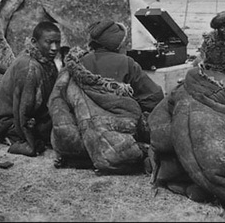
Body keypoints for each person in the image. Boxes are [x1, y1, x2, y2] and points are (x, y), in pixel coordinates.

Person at [149, 40, 225, 214]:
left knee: (188, 152)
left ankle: (183, 179)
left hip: (181, 132)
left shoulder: (192, 74)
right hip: (206, 130)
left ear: (206, 62)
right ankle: (201, 187)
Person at [49, 19, 164, 174]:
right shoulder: (127, 63)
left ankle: (85, 159)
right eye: (123, 42)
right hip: (115, 136)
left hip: (82, 136)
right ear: (117, 45)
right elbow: (154, 98)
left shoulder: (77, 63)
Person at [0, 21, 61, 157]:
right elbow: (23, 109)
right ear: (34, 41)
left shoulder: (47, 62)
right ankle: (8, 136)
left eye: (57, 42)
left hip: (34, 116)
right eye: (49, 42)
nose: (55, 48)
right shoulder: (28, 67)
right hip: (9, 122)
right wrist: (28, 138)